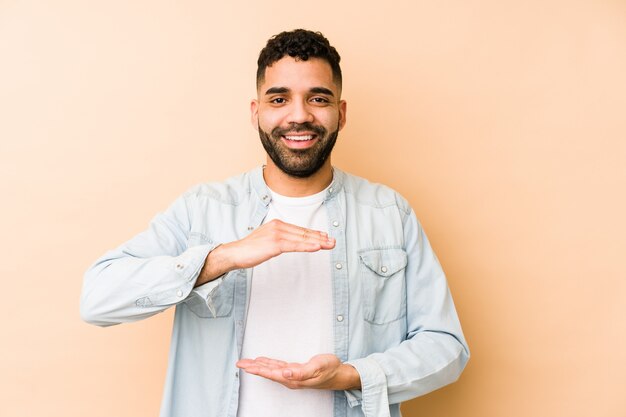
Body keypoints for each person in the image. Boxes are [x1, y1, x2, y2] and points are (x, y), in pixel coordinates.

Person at [80, 29, 469, 417]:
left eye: (318, 99)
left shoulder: (389, 213)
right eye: (279, 99)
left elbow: (446, 346)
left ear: (341, 113)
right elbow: (98, 298)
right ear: (256, 112)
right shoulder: (203, 209)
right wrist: (222, 258)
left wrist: (352, 375)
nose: (299, 116)